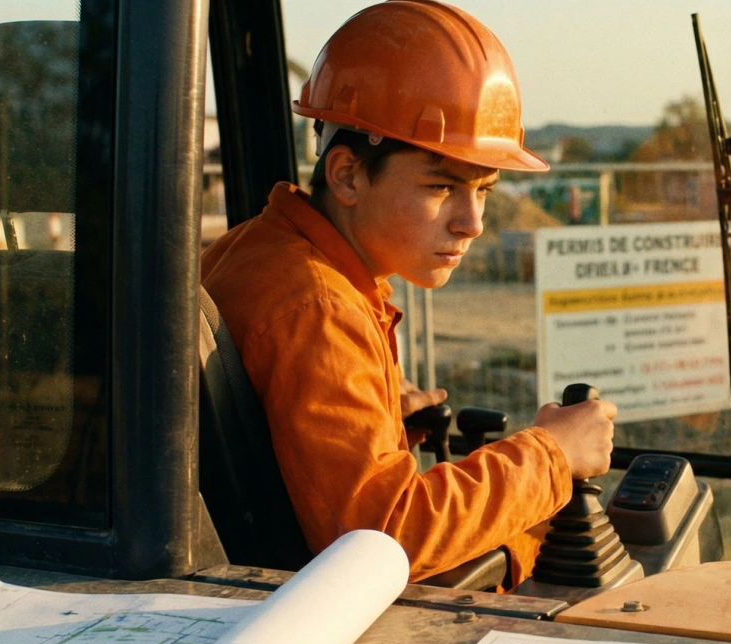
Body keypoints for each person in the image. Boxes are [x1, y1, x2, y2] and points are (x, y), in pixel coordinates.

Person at [201, 0, 614, 586]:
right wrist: (552, 454)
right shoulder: (318, 309)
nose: (472, 223)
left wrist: (378, 418)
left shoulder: (259, 248)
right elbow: (384, 535)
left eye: (484, 190)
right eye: (441, 187)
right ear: (346, 174)